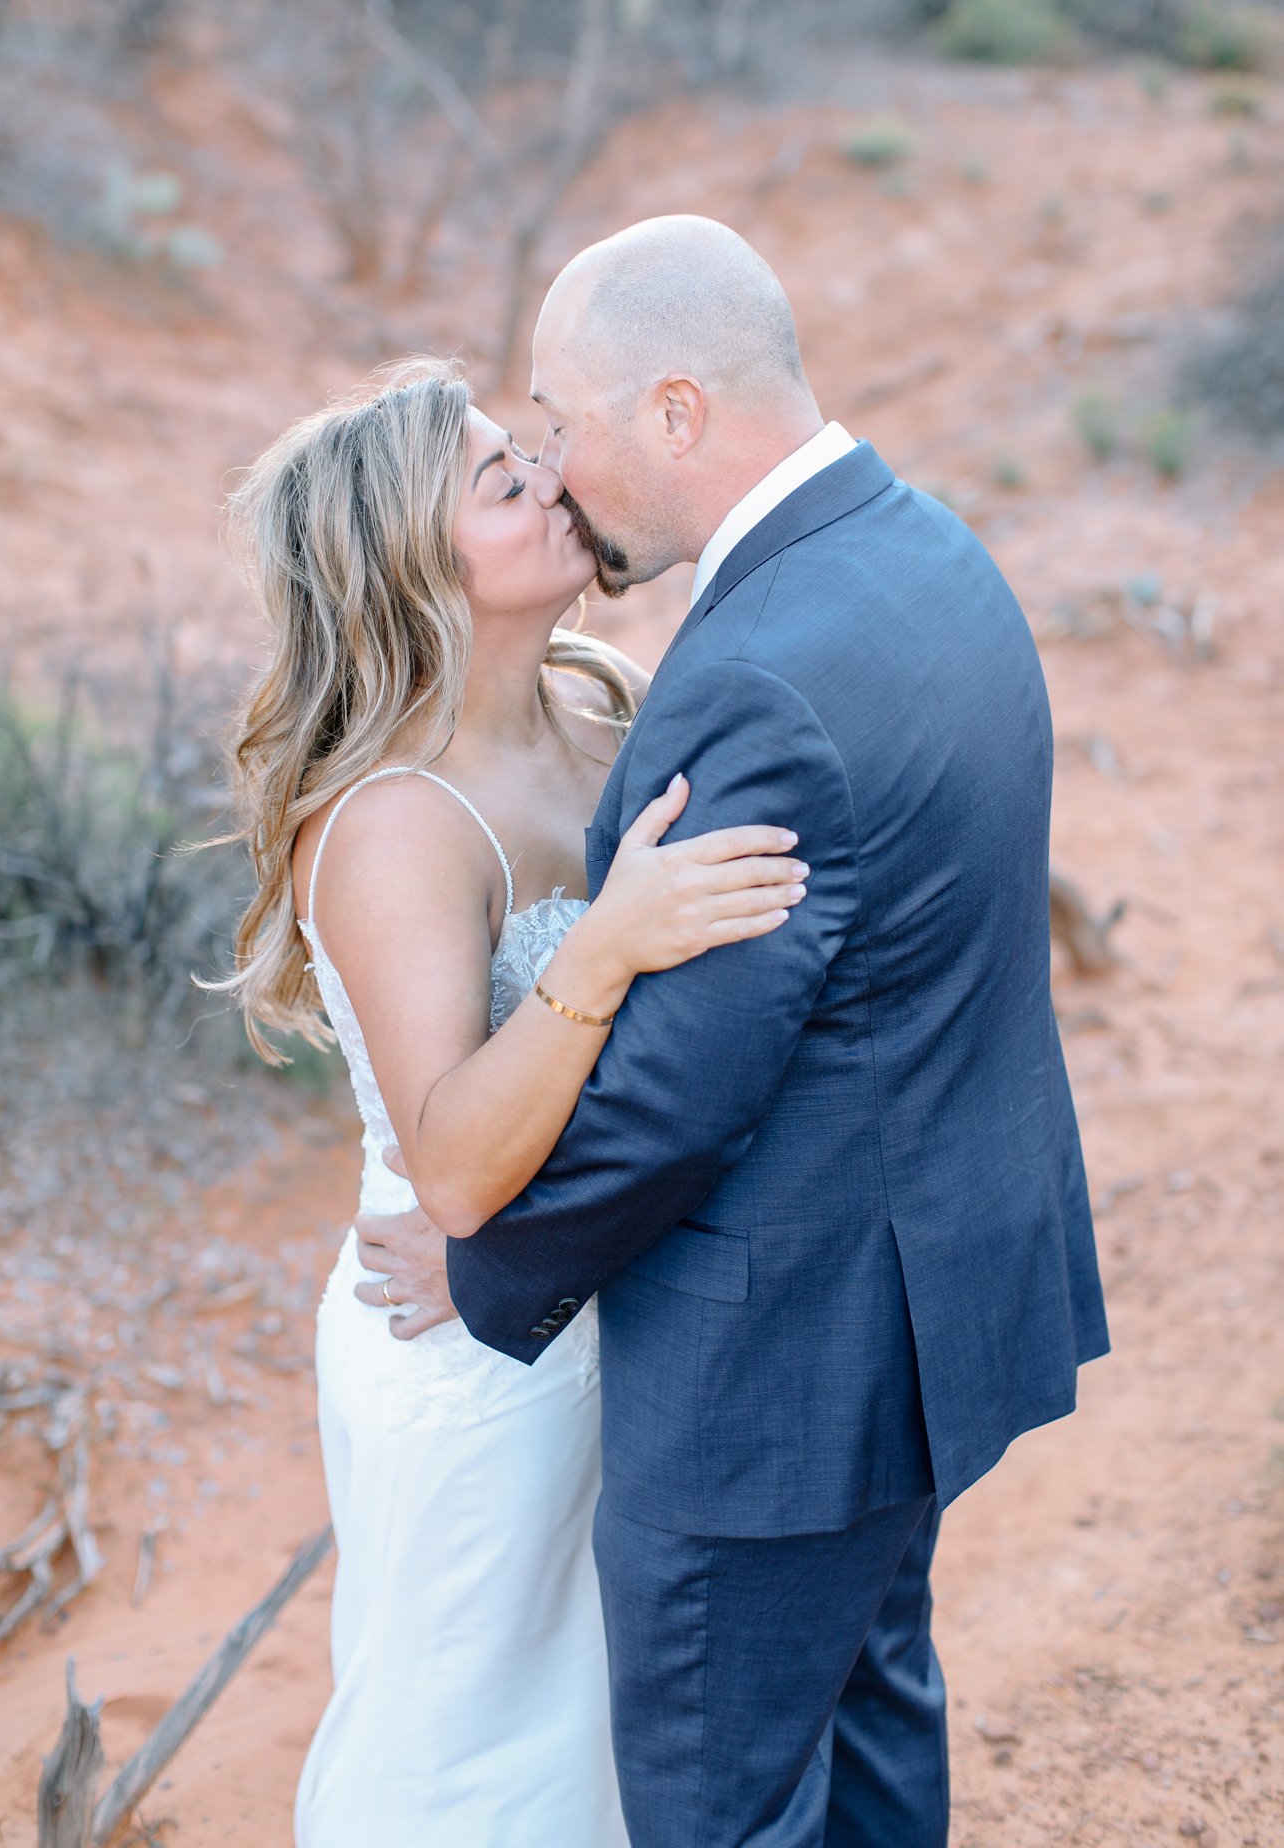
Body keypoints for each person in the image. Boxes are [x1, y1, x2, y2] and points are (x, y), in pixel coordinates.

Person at [361, 215, 1110, 1848]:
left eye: (564, 422)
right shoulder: (923, 552)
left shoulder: (756, 672)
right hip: (915, 1308)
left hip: (776, 1372)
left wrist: (486, 1260)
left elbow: (687, 1094)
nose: (555, 466)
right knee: (871, 1716)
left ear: (676, 413)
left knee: (725, 1803)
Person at [216, 360, 808, 1846]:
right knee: (468, 1757)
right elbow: (462, 1173)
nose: (553, 480)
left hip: (613, 1302)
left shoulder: (606, 714)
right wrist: (606, 940)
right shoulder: (393, 824)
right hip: (464, 1347)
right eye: (501, 480)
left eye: (527, 453)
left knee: (605, 1745)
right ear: (409, 565)